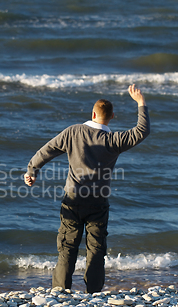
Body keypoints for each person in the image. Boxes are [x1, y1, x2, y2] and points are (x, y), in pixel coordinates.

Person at [24, 84, 150, 293]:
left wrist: (32, 171)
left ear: (92, 114)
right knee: (96, 248)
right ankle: (93, 292)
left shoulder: (73, 132)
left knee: (67, 247)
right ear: (111, 117)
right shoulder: (114, 140)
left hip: (73, 199)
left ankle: (60, 291)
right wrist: (141, 103)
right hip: (98, 202)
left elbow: (47, 150)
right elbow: (142, 131)